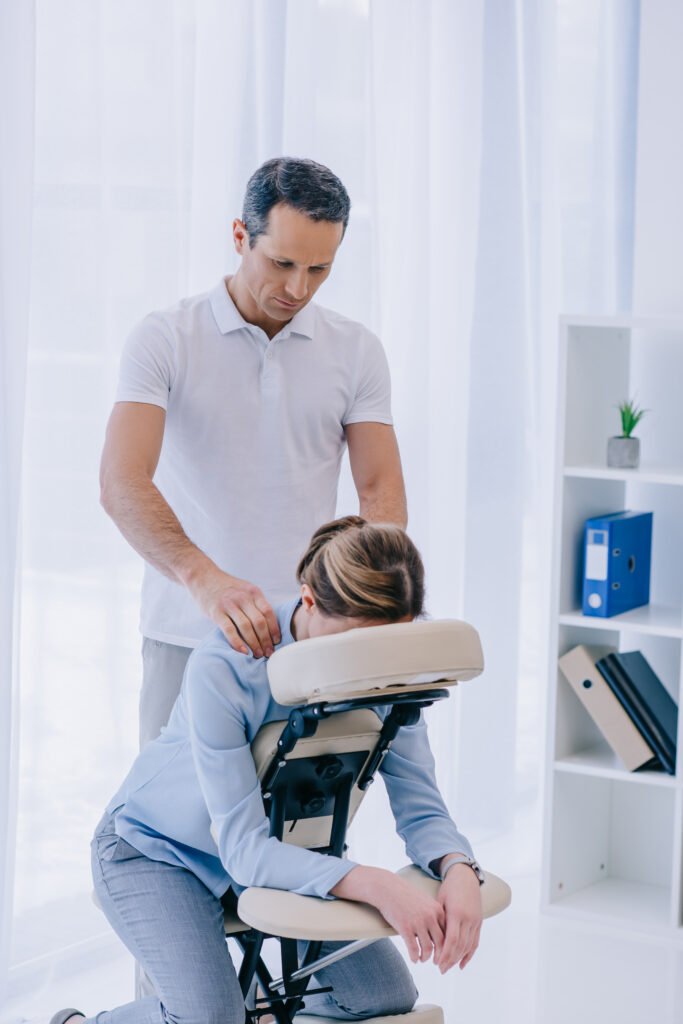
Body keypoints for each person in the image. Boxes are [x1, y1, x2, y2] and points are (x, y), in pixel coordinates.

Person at [51, 517, 483, 1024]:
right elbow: (243, 850)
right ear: (308, 601)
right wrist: (377, 884)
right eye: (353, 644)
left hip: (281, 852)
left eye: (388, 643)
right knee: (214, 1020)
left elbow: (421, 806)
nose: (367, 668)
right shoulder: (228, 665)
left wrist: (458, 867)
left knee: (382, 997)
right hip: (153, 851)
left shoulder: (389, 671)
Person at [99, 157, 407, 749]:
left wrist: (362, 604)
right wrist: (204, 580)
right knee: (170, 831)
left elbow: (381, 492)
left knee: (302, 827)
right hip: (188, 631)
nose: (298, 288)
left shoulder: (357, 350)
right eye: (282, 263)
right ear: (240, 236)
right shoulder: (165, 338)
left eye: (320, 268)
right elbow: (121, 483)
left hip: (310, 641)